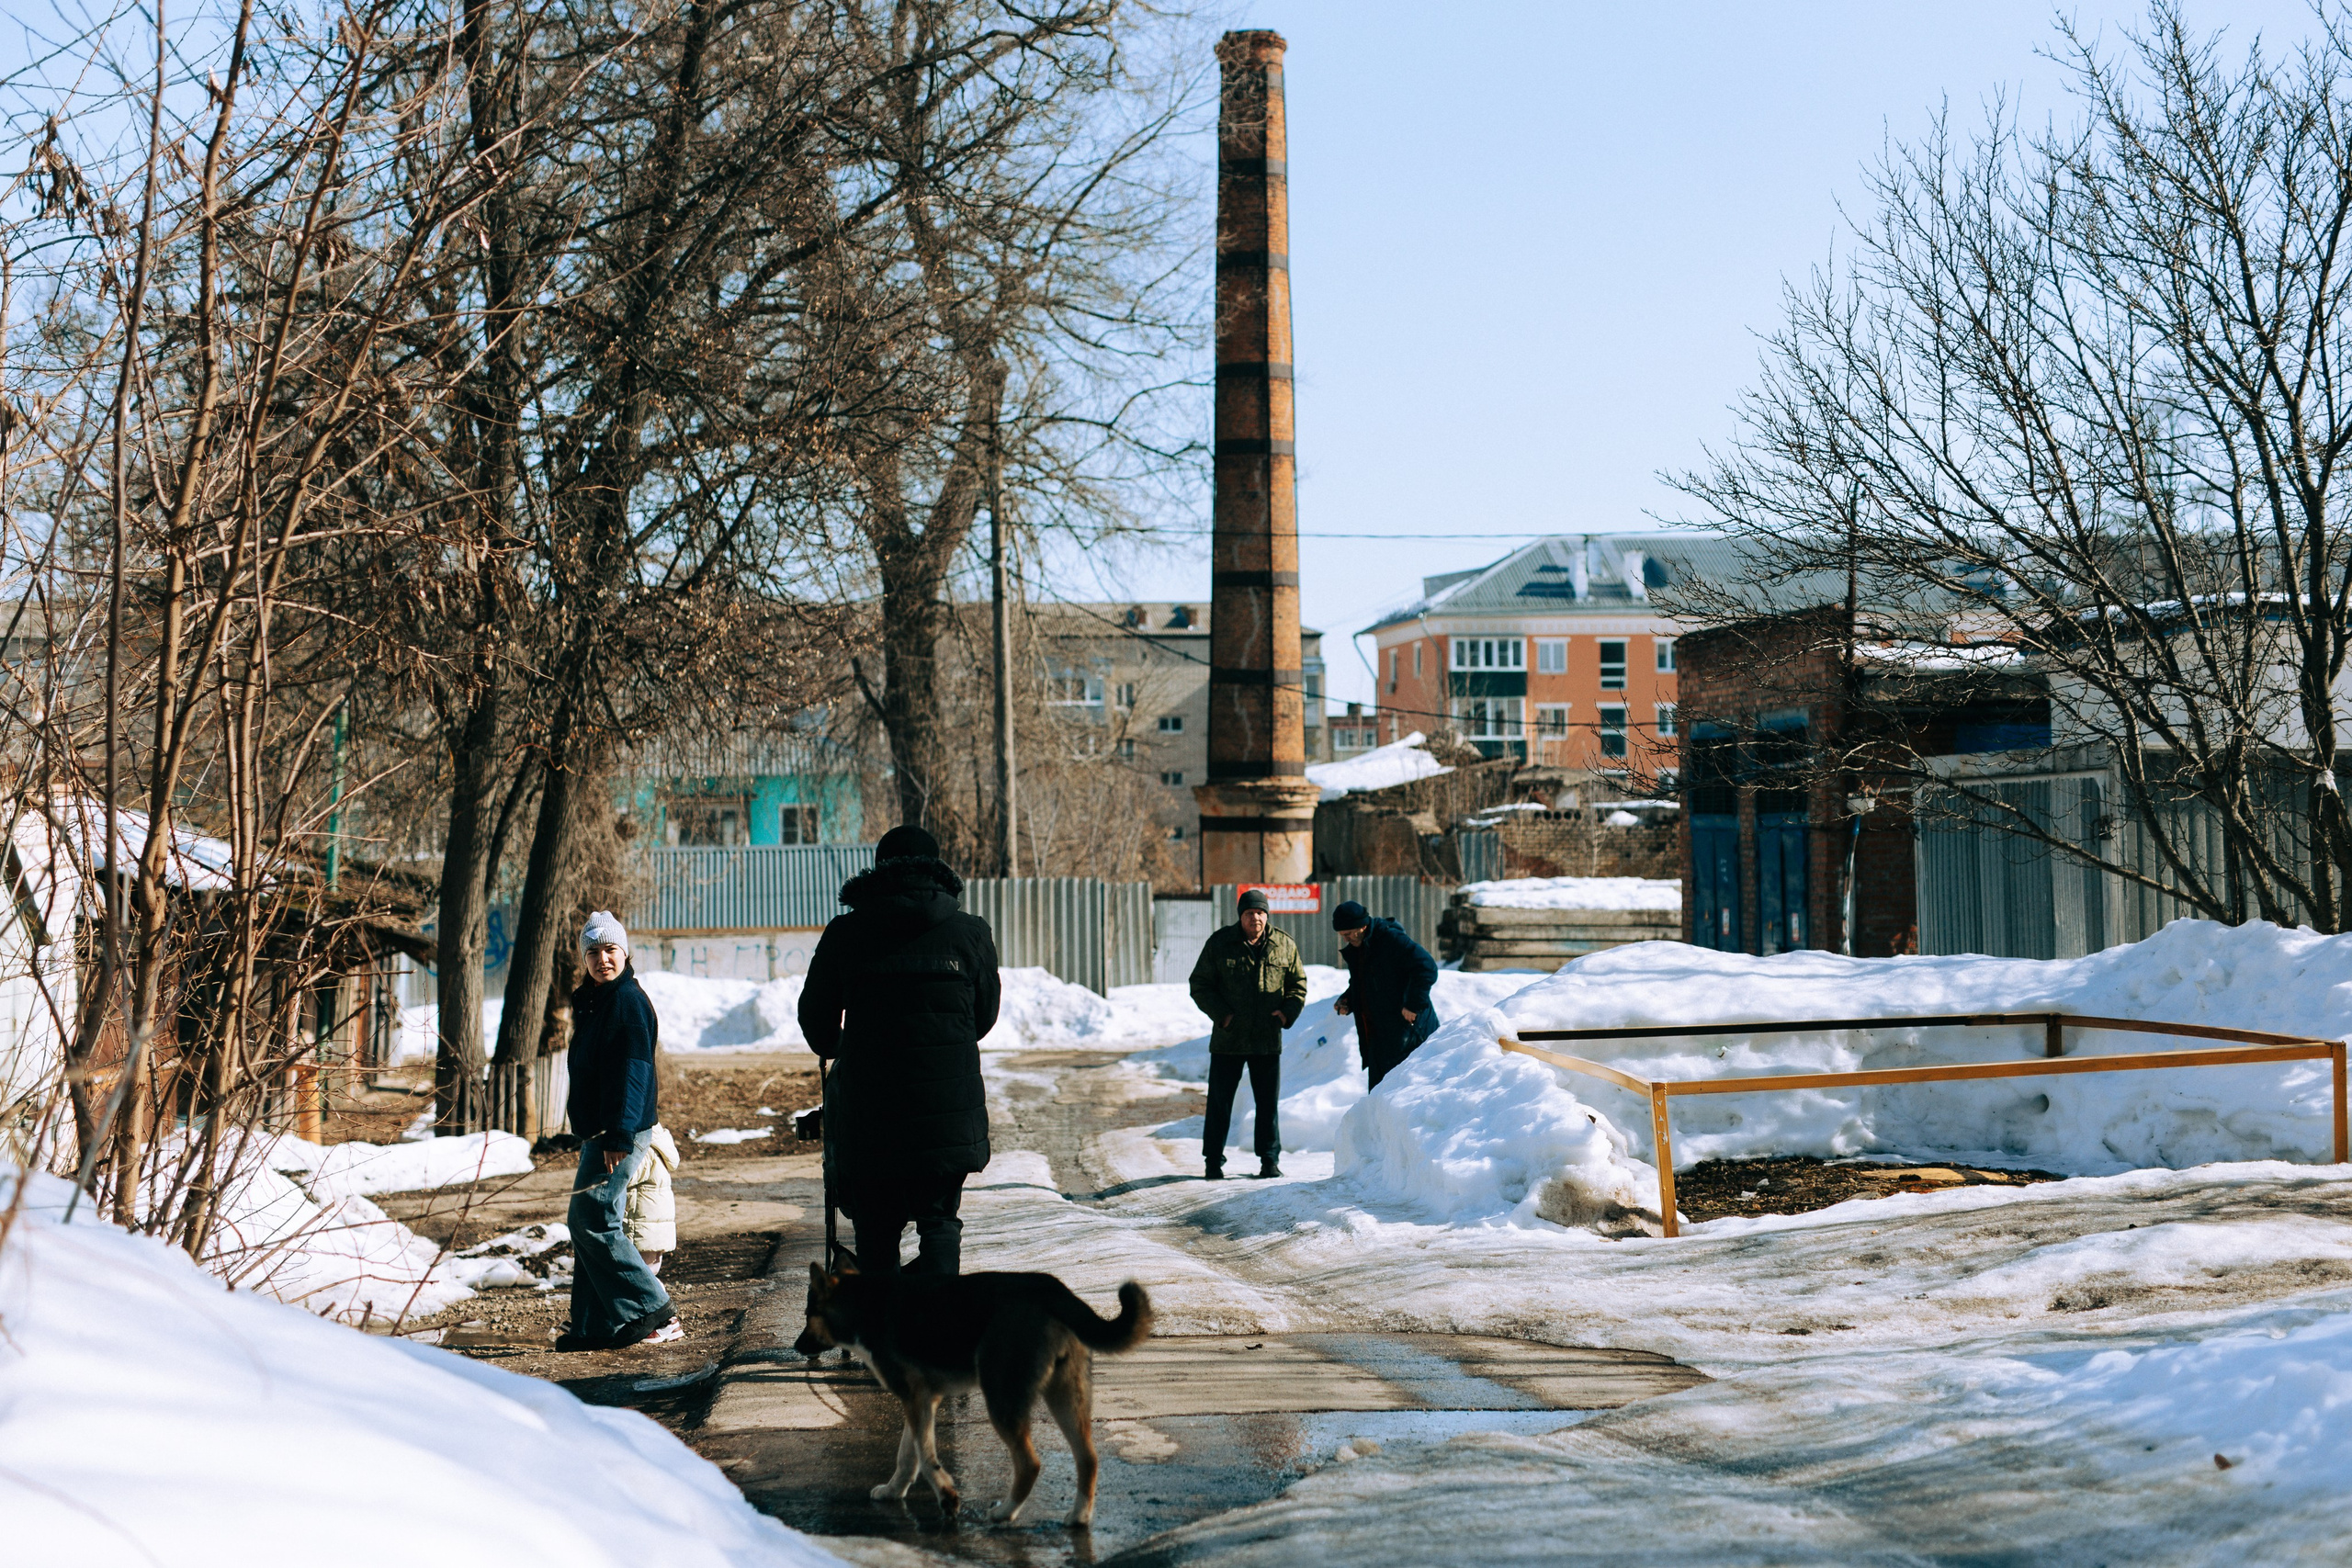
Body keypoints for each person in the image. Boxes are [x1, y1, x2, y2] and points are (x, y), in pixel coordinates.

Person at [797, 825, 1001, 1277]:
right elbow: (983, 1018)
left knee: (875, 1230)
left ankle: (885, 1333)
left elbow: (817, 1023)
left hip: (870, 1114)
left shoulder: (846, 933)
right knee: (940, 1222)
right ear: (937, 868)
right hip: (947, 1113)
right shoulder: (970, 933)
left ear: (879, 869)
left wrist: (843, 1046)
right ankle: (941, 1327)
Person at [560, 911, 680, 1351]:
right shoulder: (597, 1000)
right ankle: (594, 1326)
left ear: (624, 952)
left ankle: (652, 1309)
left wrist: (619, 1135)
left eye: (610, 950)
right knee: (588, 1222)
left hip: (618, 1131)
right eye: (593, 951)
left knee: (593, 1219)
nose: (602, 959)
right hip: (601, 1130)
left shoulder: (626, 1001)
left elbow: (635, 1074)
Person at [1187, 888, 1307, 1179]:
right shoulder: (1220, 943)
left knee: (1267, 1105)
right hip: (1229, 1040)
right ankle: (1213, 1161)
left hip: (1266, 1041)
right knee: (1220, 1104)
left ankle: (1269, 1161)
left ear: (1267, 915)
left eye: (1260, 912)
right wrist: (1223, 1016)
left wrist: (1286, 1013)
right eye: (1249, 913)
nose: (1256, 917)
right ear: (1240, 916)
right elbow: (1200, 984)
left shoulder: (1284, 945)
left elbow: (1297, 985)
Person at [1331, 899, 1440, 1090]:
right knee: (1378, 1097)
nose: (1345, 939)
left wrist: (1413, 1004)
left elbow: (1426, 967)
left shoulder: (1390, 939)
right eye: (1342, 935)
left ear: (1362, 926)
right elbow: (1364, 982)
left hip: (1409, 1032)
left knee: (1404, 1095)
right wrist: (1349, 1000)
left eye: (1347, 934)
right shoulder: (1360, 948)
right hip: (1381, 1035)